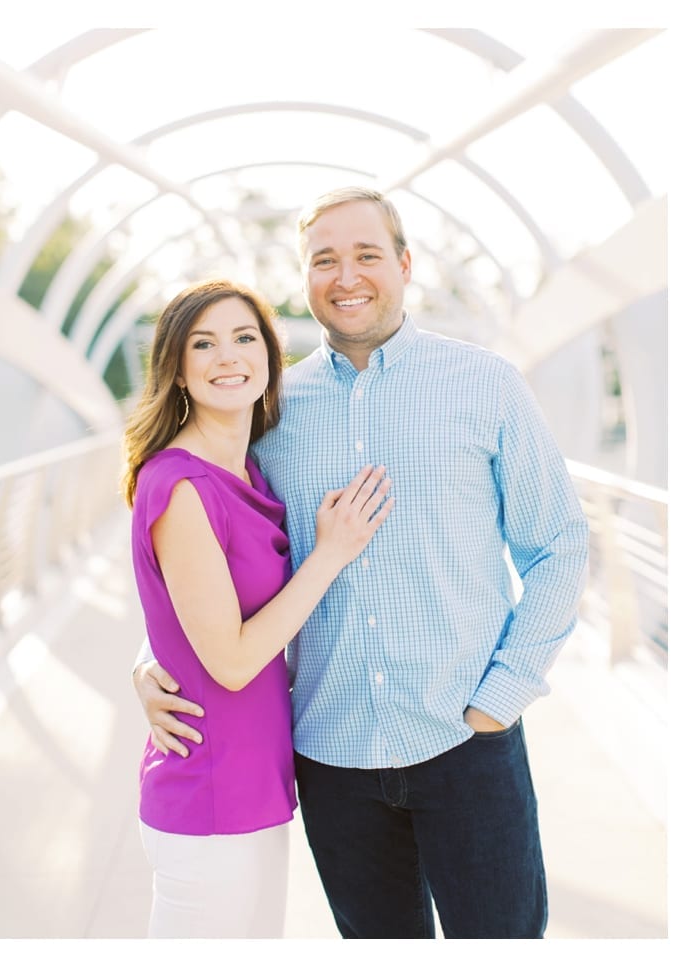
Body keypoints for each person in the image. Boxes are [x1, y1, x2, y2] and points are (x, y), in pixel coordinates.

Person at [133, 187, 590, 938]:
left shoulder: (485, 385)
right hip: (331, 756)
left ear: (405, 264)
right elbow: (208, 551)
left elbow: (560, 545)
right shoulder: (269, 413)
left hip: (465, 741)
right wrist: (150, 657)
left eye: (367, 254)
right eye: (325, 260)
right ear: (304, 278)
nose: (347, 276)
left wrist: (501, 695)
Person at [122, 277, 393, 938]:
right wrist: (330, 553)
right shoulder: (180, 483)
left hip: (254, 787)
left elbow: (183, 612)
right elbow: (234, 659)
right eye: (204, 343)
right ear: (178, 370)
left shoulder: (250, 472)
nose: (228, 356)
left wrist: (144, 662)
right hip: (209, 796)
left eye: (246, 338)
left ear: (271, 357)